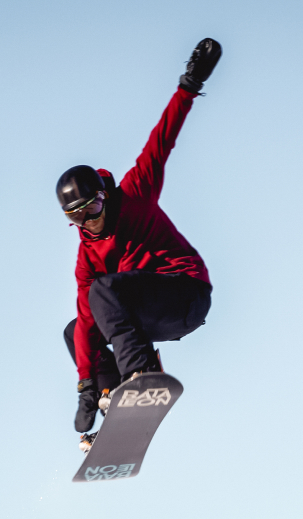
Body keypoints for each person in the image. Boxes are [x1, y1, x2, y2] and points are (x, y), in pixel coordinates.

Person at [58, 39, 222, 442]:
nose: (88, 222)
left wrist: (189, 84)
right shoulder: (87, 256)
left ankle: (141, 373)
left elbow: (161, 141)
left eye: (91, 210)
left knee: (104, 290)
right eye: (76, 217)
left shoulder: (134, 193)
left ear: (103, 198)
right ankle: (113, 394)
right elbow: (87, 324)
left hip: (187, 292)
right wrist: (85, 383)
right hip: (149, 314)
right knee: (76, 327)